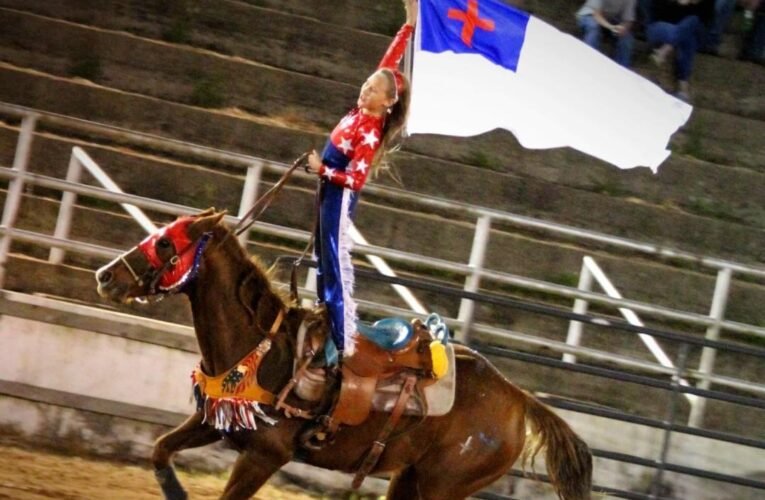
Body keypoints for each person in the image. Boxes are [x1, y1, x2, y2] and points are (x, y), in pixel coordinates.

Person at [305, 0, 417, 360]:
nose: (364, 90)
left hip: (339, 195)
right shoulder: (363, 109)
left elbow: (355, 179)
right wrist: (409, 25)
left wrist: (322, 170)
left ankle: (341, 340)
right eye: (366, 85)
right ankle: (324, 318)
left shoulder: (370, 126)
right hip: (328, 191)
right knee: (323, 256)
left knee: (335, 262)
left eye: (372, 90)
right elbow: (389, 61)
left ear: (386, 102)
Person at [644, 0, 714, 101]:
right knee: (686, 35)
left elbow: (706, 19)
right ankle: (683, 87)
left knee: (691, 28)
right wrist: (677, 3)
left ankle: (665, 50)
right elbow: (658, 12)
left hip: (686, 30)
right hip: (660, 26)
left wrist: (692, 3)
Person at [576, 0, 638, 66]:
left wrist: (623, 28)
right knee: (593, 27)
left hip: (610, 19)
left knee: (627, 38)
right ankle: (586, 61)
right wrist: (611, 27)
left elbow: (628, 20)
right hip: (589, 15)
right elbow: (596, 15)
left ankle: (621, 69)